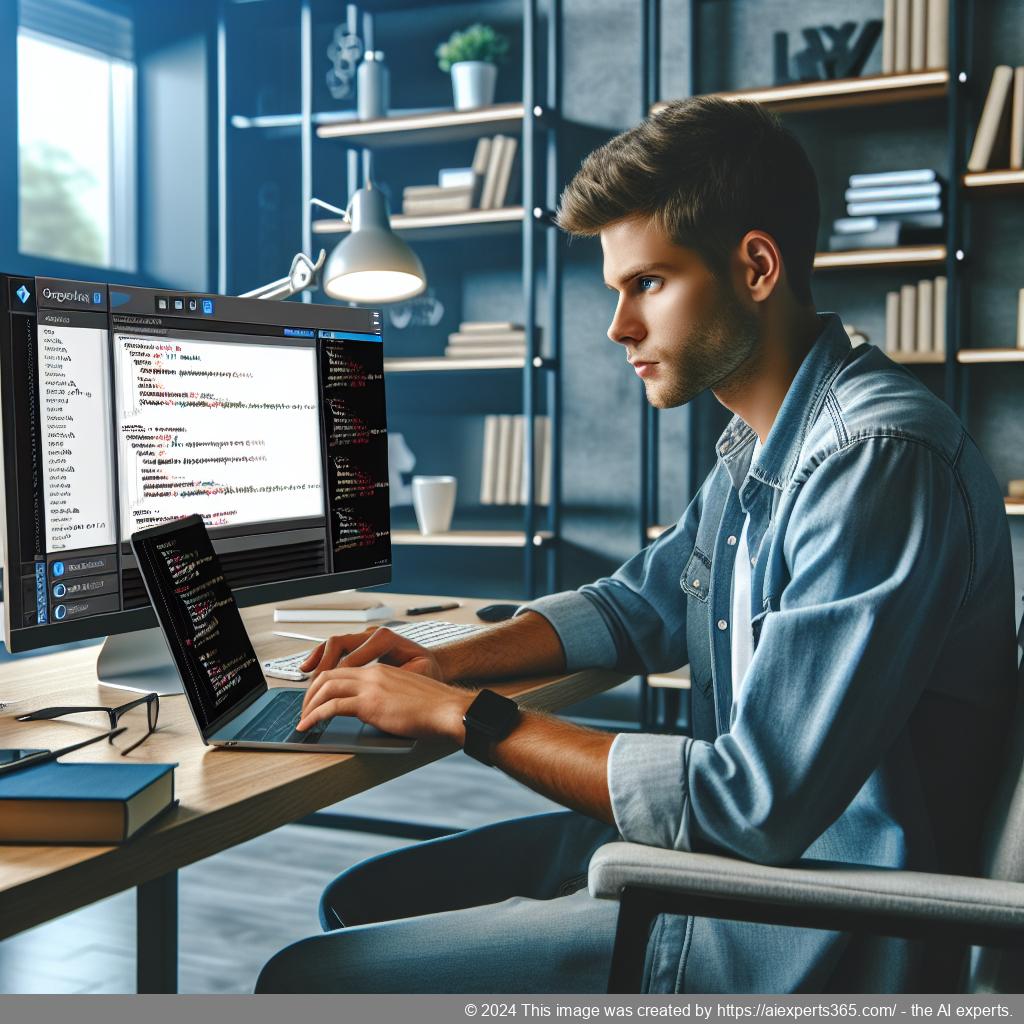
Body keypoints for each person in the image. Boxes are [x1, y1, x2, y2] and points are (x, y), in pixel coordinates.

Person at [256, 97, 1017, 994]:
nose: (618, 327)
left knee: (307, 980)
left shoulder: (871, 460)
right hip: (753, 872)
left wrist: (463, 717)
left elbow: (749, 805)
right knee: (370, 896)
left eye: (647, 284)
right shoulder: (766, 439)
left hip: (804, 924)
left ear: (757, 267)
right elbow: (641, 604)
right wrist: (441, 664)